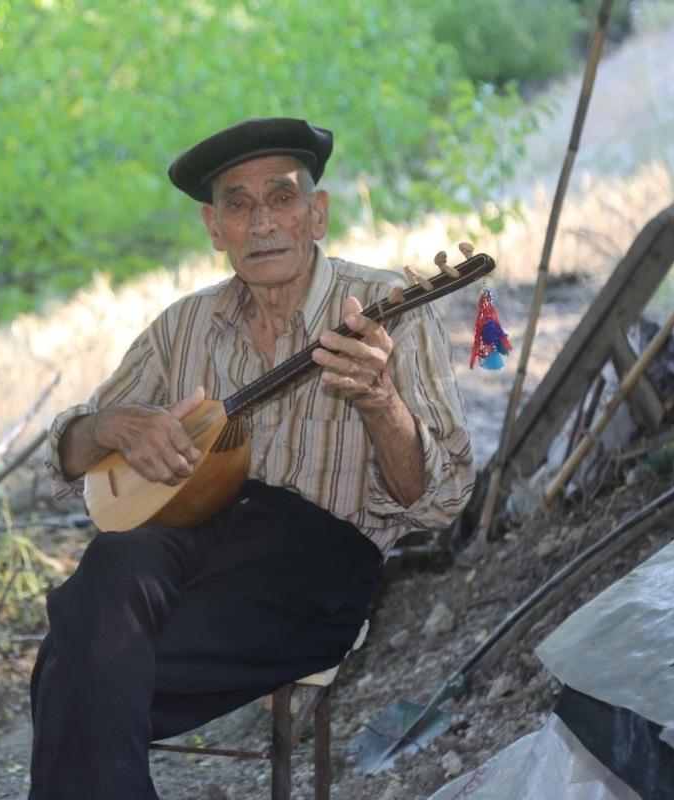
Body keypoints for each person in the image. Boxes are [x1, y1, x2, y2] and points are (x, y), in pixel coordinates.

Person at [28, 117, 475, 799]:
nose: (262, 222)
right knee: (112, 561)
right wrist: (109, 425)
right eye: (238, 204)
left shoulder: (388, 310)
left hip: (316, 560)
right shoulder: (182, 325)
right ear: (215, 227)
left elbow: (441, 502)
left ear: (317, 213)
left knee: (72, 666)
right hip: (191, 530)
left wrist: (382, 402)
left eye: (282, 198)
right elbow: (63, 460)